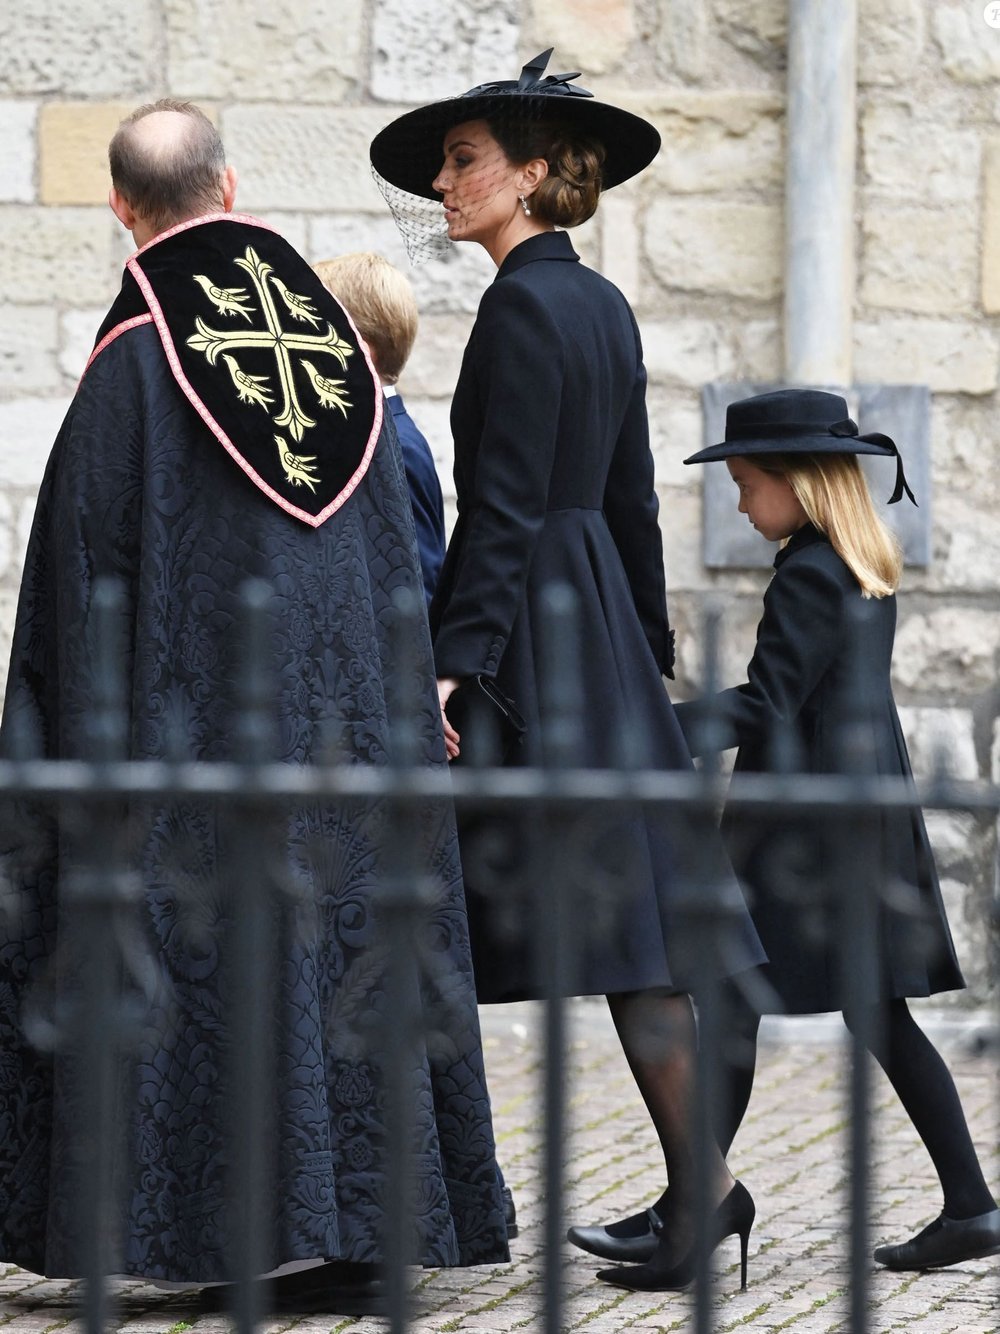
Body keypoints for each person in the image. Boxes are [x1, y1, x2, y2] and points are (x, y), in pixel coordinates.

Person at [0, 99, 509, 1313]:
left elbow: (76, 596)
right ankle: (361, 1230)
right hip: (350, 752)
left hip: (198, 762)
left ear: (120, 207)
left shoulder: (133, 369)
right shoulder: (334, 352)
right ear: (230, 190)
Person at [370, 50, 767, 1293]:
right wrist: (643, 652)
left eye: (467, 159)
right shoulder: (600, 304)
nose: (445, 181)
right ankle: (701, 1188)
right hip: (589, 629)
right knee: (629, 932)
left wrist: (452, 665)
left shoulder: (524, 307)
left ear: (535, 175)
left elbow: (500, 509)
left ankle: (693, 1188)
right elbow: (627, 502)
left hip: (537, 635)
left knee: (462, 902)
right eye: (446, 163)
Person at [673, 387, 1000, 1273]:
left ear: (797, 481)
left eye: (746, 482)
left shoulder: (812, 571)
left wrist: (658, 732)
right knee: (833, 1008)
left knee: (758, 999)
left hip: (810, 827)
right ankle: (966, 1206)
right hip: (848, 811)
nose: (740, 502)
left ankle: (692, 1210)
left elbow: (769, 703)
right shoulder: (852, 561)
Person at [312, 252, 446, 605]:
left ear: (359, 351)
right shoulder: (368, 435)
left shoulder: (396, 446)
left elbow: (419, 580)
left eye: (315, 333)